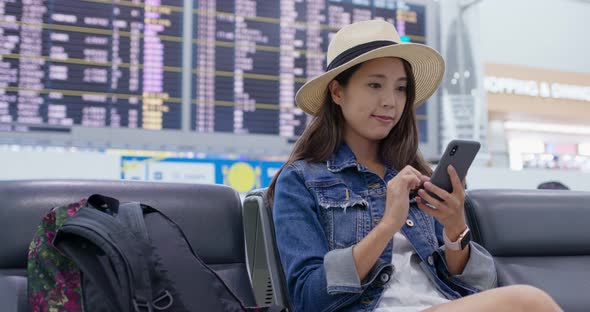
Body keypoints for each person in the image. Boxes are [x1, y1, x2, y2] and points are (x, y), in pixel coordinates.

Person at [267, 19, 562, 312]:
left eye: (400, 89)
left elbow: (480, 286)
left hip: (439, 304)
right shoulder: (300, 180)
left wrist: (455, 228)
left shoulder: (416, 176)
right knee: (529, 302)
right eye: (374, 85)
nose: (390, 102)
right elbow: (308, 298)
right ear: (337, 92)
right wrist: (387, 225)